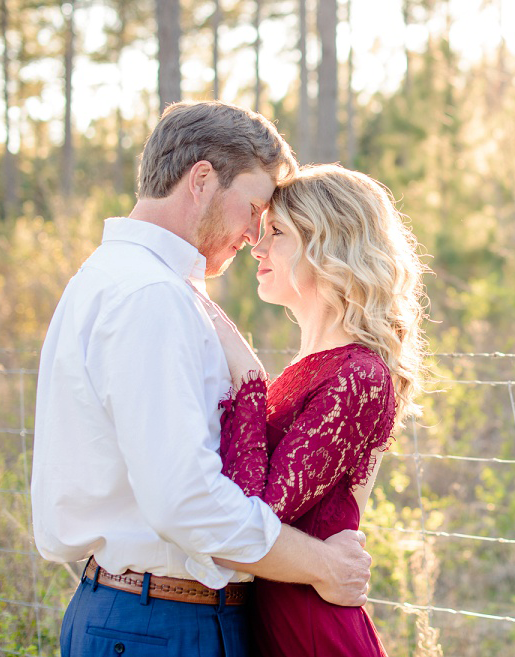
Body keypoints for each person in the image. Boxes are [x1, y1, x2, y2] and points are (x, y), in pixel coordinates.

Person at [31, 101, 373, 657]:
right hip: (163, 626)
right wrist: (324, 565)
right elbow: (186, 502)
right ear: (203, 180)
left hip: (142, 614)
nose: (255, 233)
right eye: (256, 205)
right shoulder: (151, 296)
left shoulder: (115, 278)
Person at [209, 163, 428, 657]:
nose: (258, 248)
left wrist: (247, 377)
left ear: (328, 246)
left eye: (278, 233)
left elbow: (256, 513)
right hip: (272, 615)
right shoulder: (313, 366)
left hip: (310, 631)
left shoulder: (358, 374)